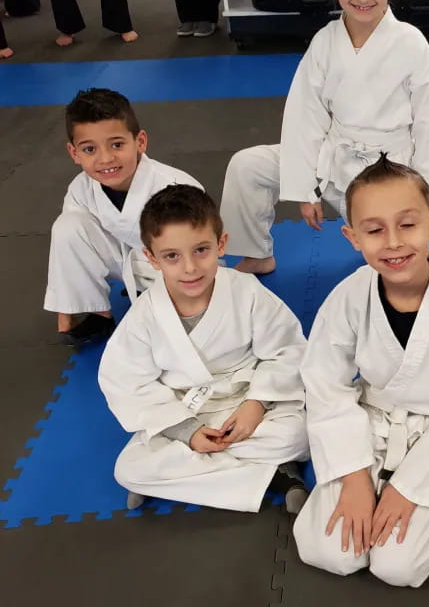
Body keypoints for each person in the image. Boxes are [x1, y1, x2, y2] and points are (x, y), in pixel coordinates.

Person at [292, 156, 429, 588]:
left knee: (396, 566)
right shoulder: (347, 298)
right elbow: (325, 383)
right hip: (370, 424)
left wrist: (408, 489)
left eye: (407, 225)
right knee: (327, 551)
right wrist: (353, 478)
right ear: (351, 237)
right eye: (373, 230)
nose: (392, 243)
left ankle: (426, 497)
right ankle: (359, 485)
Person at [221, 0, 429, 275]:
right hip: (332, 161)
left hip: (388, 170)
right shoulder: (324, 42)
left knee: (391, 260)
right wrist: (303, 188)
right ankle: (257, 252)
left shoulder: (410, 43)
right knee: (248, 166)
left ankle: (414, 252)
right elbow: (306, 116)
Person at [99, 185, 311, 513]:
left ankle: (187, 476)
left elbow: (288, 351)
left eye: (201, 250)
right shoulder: (144, 317)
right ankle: (275, 476)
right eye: (172, 256)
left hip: (252, 402)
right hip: (186, 410)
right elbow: (127, 382)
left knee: (300, 435)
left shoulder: (248, 293)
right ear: (151, 258)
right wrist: (188, 431)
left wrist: (256, 405)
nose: (190, 268)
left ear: (220, 244)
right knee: (128, 470)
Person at [44, 88, 201, 348]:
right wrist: (66, 312)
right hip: (126, 262)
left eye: (117, 144)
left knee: (172, 338)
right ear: (74, 153)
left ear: (140, 142)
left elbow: (193, 249)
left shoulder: (173, 186)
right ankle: (98, 312)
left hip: (178, 265)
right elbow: (69, 249)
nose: (105, 158)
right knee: (67, 227)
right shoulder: (81, 188)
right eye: (89, 149)